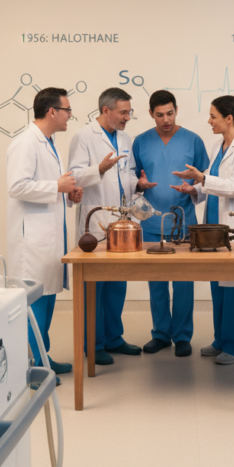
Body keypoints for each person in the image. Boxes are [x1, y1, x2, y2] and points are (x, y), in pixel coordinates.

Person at [172, 96, 234, 364]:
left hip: (233, 224)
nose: (209, 121)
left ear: (228, 119)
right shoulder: (218, 145)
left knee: (233, 287)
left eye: (213, 117)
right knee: (217, 285)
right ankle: (221, 340)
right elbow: (212, 181)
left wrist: (202, 178)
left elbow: (233, 187)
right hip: (212, 225)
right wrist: (194, 188)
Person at [68, 88, 151, 365]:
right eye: (123, 112)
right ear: (106, 110)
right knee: (95, 287)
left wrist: (138, 184)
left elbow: (126, 173)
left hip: (121, 223)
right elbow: (75, 176)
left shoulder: (125, 137)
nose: (128, 117)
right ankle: (94, 343)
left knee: (117, 284)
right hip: (96, 221)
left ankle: (114, 338)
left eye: (129, 112)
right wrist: (100, 169)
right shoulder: (83, 136)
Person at [6, 87, 83, 377]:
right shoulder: (25, 143)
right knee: (36, 303)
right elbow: (17, 187)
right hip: (33, 241)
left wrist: (67, 195)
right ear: (52, 111)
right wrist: (56, 187)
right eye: (67, 111)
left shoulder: (48, 142)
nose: (70, 116)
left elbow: (49, 185)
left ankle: (43, 358)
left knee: (48, 298)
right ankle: (36, 365)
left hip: (50, 236)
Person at [133, 90, 209, 357]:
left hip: (183, 221)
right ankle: (161, 334)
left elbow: (206, 179)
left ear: (176, 110)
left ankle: (182, 335)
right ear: (151, 114)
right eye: (159, 115)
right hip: (152, 223)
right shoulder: (140, 142)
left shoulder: (193, 140)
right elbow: (132, 180)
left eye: (170, 113)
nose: (166, 119)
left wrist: (193, 186)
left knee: (184, 280)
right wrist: (139, 185)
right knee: (156, 281)